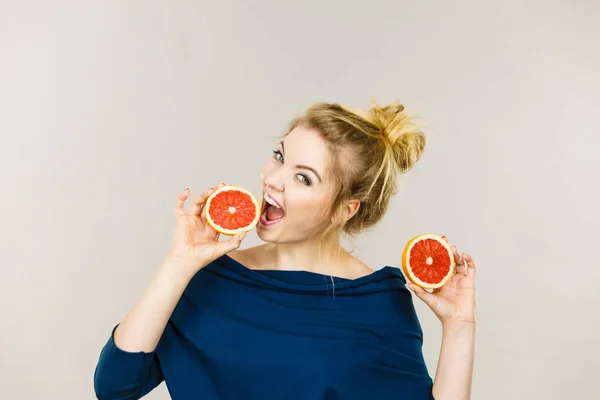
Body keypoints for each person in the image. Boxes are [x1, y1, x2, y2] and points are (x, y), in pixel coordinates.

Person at [93, 101, 477, 400]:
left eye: (303, 178)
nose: (273, 180)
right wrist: (179, 263)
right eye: (279, 156)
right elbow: (115, 385)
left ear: (345, 209)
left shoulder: (377, 301)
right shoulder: (211, 277)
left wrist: (459, 328)